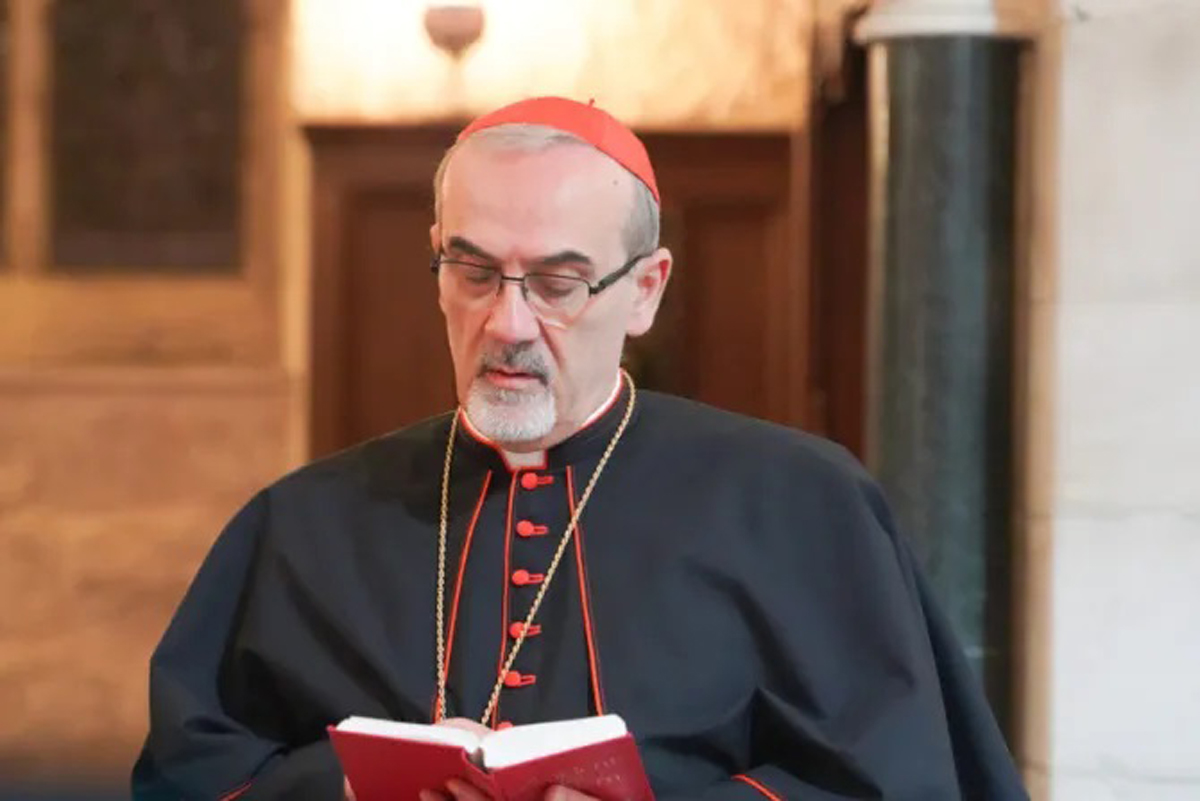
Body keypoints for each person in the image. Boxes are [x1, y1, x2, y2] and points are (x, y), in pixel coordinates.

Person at [132, 96, 1028, 801]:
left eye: (558, 283)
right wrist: (350, 786)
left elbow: (896, 778)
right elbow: (193, 773)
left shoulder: (800, 503)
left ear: (646, 290)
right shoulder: (304, 522)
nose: (507, 323)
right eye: (473, 272)